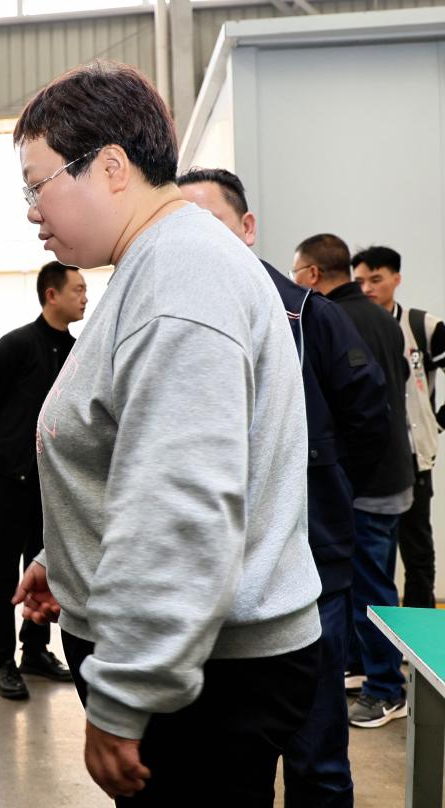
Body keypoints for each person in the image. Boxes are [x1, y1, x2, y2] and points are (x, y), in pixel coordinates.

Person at [10, 60, 323, 805]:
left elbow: (180, 507)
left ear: (111, 168)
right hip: (200, 660)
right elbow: (135, 450)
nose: (30, 212)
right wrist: (67, 560)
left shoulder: (180, 278)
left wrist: (126, 696)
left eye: (36, 185)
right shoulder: (160, 264)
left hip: (207, 679)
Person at [178, 168, 389, 807]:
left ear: (247, 227)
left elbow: (367, 419)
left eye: (211, 223)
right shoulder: (174, 316)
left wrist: (320, 488)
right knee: (224, 766)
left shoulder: (308, 315)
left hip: (309, 570)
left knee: (316, 758)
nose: (196, 241)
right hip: (206, 581)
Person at [291, 235, 414, 728]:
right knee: (372, 581)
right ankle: (365, 668)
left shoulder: (329, 319)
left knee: (369, 590)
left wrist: (343, 479)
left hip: (368, 483)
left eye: (295, 271)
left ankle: (386, 688)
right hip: (393, 473)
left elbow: (358, 415)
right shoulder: (381, 317)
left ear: (312, 274)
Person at [0, 262, 86, 699]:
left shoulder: (78, 352)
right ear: (51, 295)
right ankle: (3, 658)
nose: (85, 298)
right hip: (10, 477)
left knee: (45, 566)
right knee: (2, 570)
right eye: (77, 290)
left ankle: (34, 651)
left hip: (53, 483)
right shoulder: (16, 345)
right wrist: (6, 444)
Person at [353, 245, 443, 609]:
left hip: (414, 458)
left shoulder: (422, 326)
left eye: (376, 279)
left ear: (396, 278)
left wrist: (438, 421)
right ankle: (379, 634)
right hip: (374, 461)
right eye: (360, 281)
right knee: (375, 556)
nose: (367, 288)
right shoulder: (352, 326)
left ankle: (422, 633)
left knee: (417, 550)